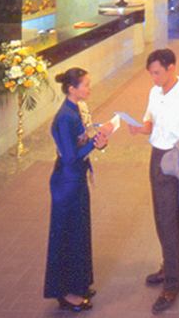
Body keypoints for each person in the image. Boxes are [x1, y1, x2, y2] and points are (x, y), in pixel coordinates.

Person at [129, 48, 179, 314]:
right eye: (151, 73)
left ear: (171, 68)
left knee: (170, 220)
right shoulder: (155, 92)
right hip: (156, 157)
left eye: (157, 73)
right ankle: (169, 266)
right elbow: (150, 123)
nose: (153, 78)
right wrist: (139, 128)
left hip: (174, 160)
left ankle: (172, 284)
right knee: (161, 217)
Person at [44, 67, 112, 312]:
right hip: (67, 183)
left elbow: (79, 145)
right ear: (72, 89)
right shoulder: (66, 117)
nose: (89, 89)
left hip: (75, 180)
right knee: (68, 236)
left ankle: (78, 284)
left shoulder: (75, 110)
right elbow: (71, 156)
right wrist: (96, 141)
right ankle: (66, 292)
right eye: (85, 85)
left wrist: (97, 141)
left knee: (79, 233)